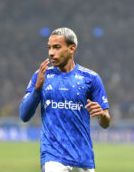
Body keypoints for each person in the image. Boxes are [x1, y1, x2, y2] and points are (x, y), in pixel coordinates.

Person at [19, 27, 110, 172]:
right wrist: (37, 89)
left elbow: (105, 123)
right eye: (49, 48)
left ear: (71, 49)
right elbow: (24, 115)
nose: (51, 53)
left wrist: (103, 115)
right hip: (53, 157)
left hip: (83, 158)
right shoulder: (42, 75)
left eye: (57, 47)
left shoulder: (91, 78)